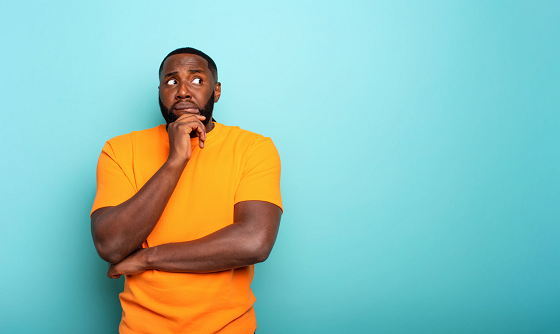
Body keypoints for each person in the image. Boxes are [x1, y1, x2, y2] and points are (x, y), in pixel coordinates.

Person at [90, 47, 282, 334]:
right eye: (171, 82)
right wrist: (175, 160)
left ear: (216, 91)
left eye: (196, 80)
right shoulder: (120, 150)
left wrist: (147, 257)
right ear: (159, 91)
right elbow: (111, 245)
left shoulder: (253, 148)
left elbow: (254, 241)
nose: (182, 91)